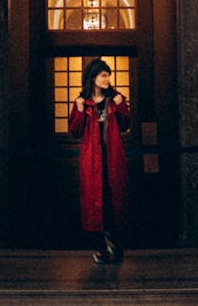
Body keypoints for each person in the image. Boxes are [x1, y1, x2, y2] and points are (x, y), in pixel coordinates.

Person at [68, 57, 131, 263]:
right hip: (91, 162)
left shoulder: (115, 99)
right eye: (103, 75)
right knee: (95, 205)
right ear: (93, 77)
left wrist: (122, 106)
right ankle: (102, 249)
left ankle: (115, 245)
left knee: (113, 202)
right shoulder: (83, 102)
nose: (107, 79)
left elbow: (124, 125)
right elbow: (75, 132)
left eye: (108, 75)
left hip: (112, 159)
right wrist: (78, 110)